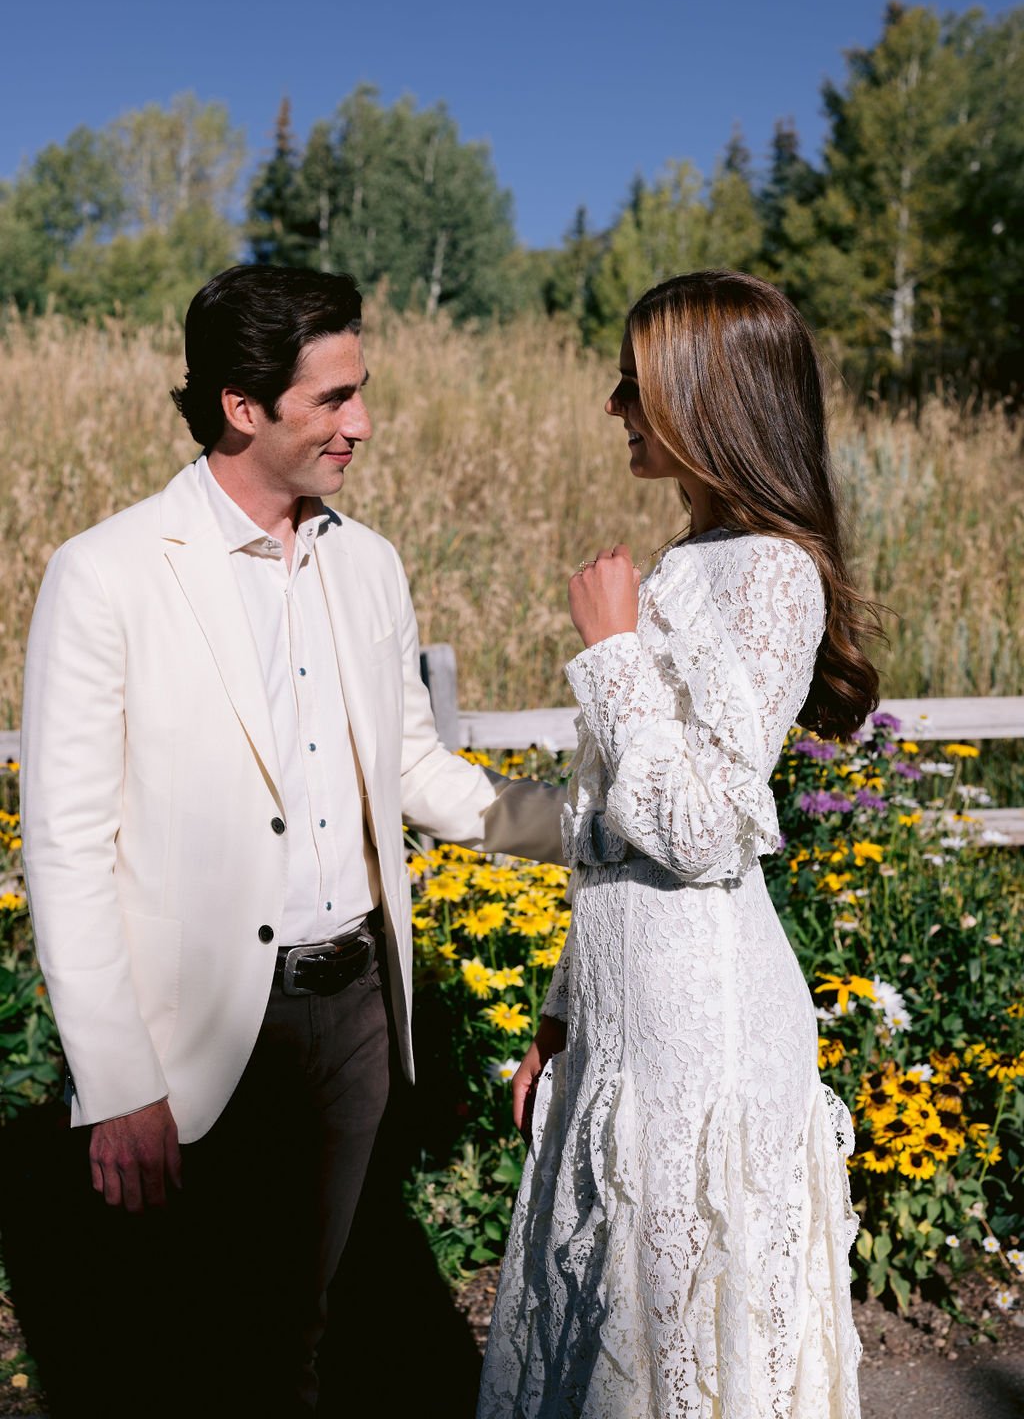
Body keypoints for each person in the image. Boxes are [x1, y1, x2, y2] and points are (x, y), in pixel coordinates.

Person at [20, 264, 563, 1417]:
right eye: (331, 399)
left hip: (354, 1012)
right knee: (174, 1341)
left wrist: (585, 827)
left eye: (359, 392)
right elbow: (63, 846)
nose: (359, 423)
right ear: (242, 406)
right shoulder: (106, 573)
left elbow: (412, 767)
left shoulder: (369, 565)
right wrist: (116, 1085)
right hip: (199, 1030)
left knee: (300, 1326)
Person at [477, 270, 878, 1419]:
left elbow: (702, 830)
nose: (613, 407)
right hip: (626, 1014)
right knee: (610, 1338)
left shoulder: (771, 574)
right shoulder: (686, 564)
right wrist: (563, 1015)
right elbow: (617, 827)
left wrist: (607, 654)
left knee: (675, 1341)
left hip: (698, 1022)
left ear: (707, 401)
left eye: (633, 385)